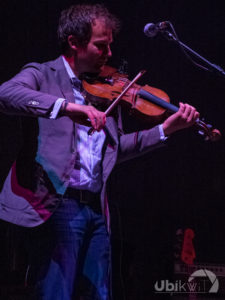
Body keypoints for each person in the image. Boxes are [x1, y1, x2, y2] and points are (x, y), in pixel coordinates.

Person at [0, 4, 199, 300]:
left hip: (95, 207)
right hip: (56, 203)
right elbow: (6, 94)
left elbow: (116, 150)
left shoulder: (106, 89)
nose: (109, 54)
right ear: (74, 42)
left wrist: (165, 129)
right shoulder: (42, 74)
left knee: (99, 294)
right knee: (57, 293)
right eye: (100, 46)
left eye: (111, 46)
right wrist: (67, 108)